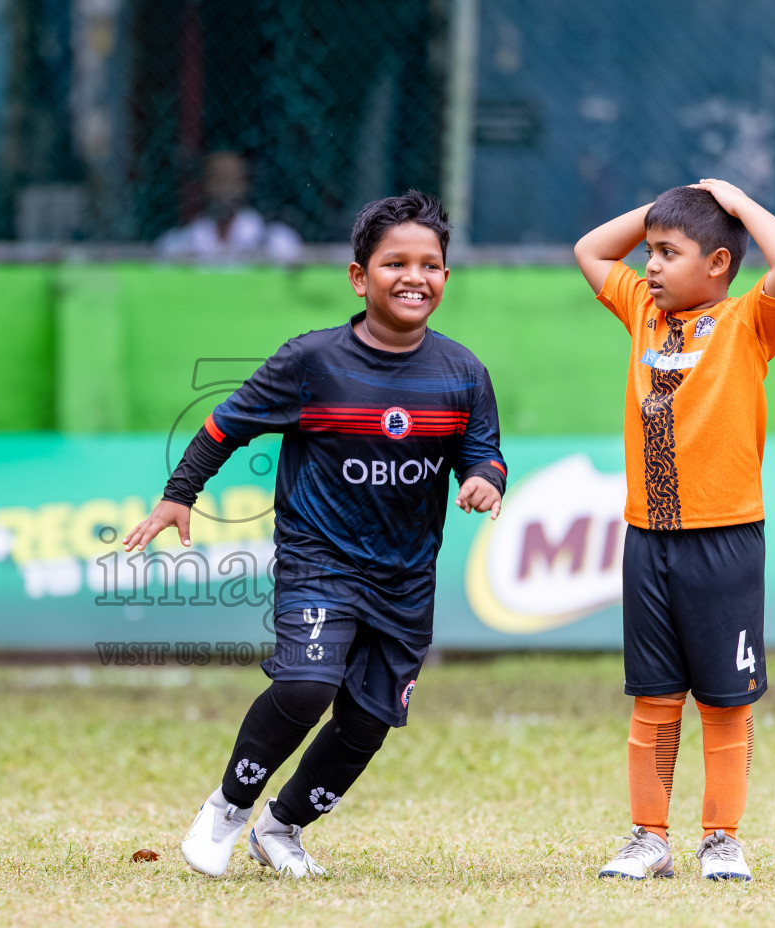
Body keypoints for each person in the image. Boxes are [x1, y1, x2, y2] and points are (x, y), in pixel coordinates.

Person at [125, 191, 506, 877]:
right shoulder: (313, 362)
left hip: (406, 578)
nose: (414, 277)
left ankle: (281, 828)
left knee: (368, 721)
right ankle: (228, 807)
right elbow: (226, 424)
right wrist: (179, 495)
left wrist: (486, 480)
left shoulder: (463, 374)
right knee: (306, 685)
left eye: (430, 264)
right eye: (395, 263)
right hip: (319, 559)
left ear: (446, 277)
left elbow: (484, 451)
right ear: (360, 278)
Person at [572, 180, 775, 882]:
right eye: (648, 251)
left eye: (668, 253)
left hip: (725, 540)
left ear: (717, 266)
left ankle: (721, 839)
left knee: (725, 701)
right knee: (653, 696)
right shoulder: (642, 310)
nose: (649, 264)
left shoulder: (747, 323)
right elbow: (588, 250)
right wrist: (657, 212)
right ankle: (648, 838)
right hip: (648, 538)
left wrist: (734, 203)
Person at [155, 151, 303, 262]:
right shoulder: (176, 245)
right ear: (202, 185)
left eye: (234, 180)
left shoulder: (278, 242)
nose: (226, 188)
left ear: (246, 185)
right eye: (218, 179)